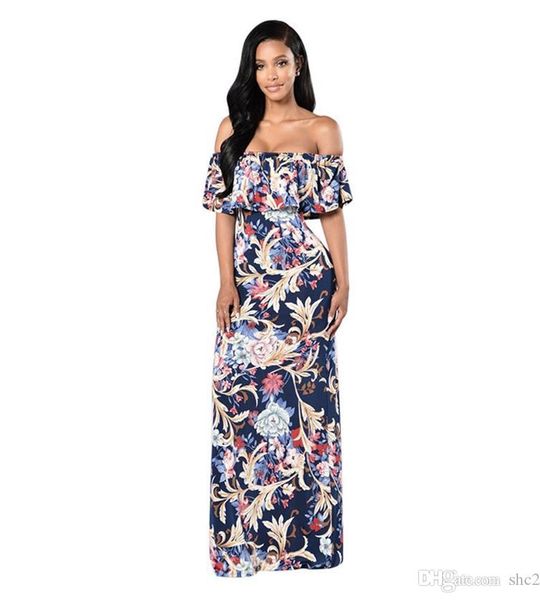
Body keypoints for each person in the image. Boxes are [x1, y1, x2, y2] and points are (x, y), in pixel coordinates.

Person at [202, 19, 354, 577]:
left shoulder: (322, 129)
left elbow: (331, 214)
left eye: (281, 63)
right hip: (249, 290)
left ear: (298, 65)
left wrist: (344, 281)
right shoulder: (232, 129)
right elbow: (224, 212)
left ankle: (309, 545)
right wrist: (226, 281)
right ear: (252, 70)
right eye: (261, 65)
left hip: (305, 292)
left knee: (308, 412)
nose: (272, 75)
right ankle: (243, 548)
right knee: (238, 405)